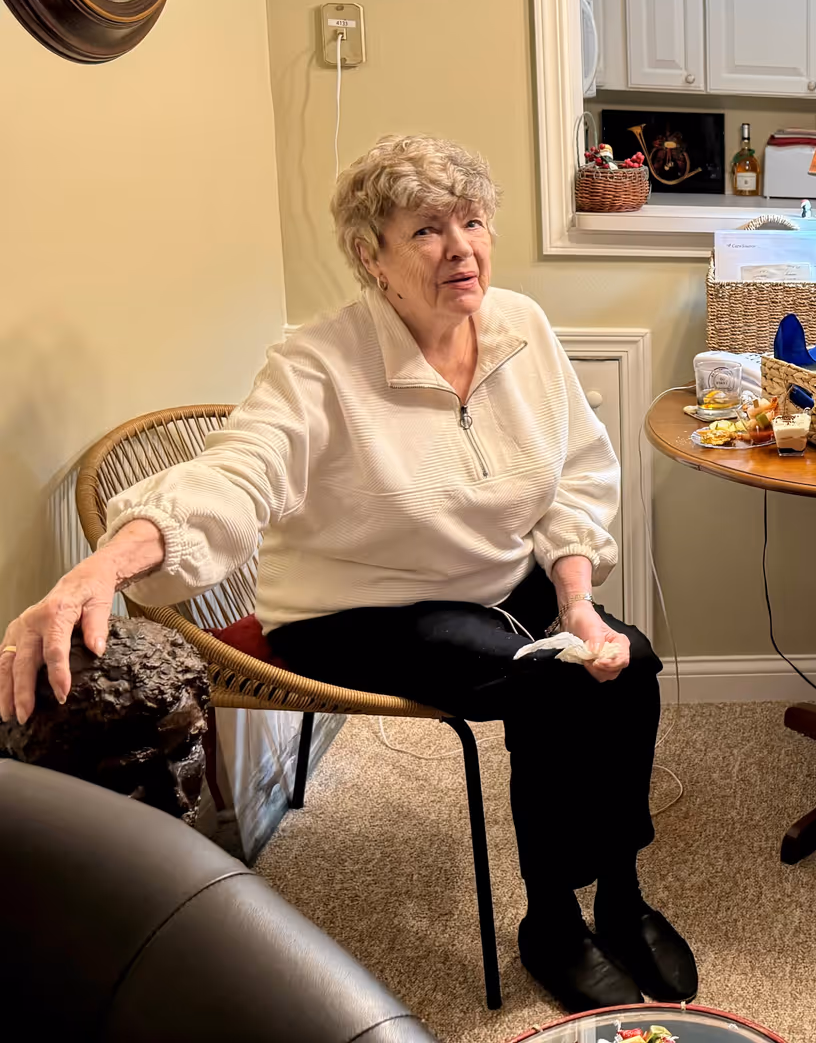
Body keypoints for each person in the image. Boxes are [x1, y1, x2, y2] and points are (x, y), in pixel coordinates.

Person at [0, 135, 694, 1013]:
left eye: (473, 222)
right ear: (370, 256)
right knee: (551, 685)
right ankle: (552, 921)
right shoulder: (316, 365)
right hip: (356, 609)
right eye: (427, 230)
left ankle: (624, 899)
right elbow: (237, 473)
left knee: (626, 666)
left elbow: (577, 476)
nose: (462, 249)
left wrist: (577, 600)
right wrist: (103, 564)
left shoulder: (522, 327)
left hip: (491, 580)